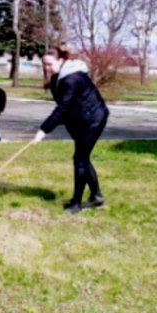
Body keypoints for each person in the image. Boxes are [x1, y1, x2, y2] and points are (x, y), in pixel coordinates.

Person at [33, 48, 109, 214]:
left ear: (60, 61)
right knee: (83, 157)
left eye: (49, 64)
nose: (47, 68)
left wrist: (43, 130)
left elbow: (63, 108)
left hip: (93, 119)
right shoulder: (57, 79)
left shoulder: (72, 78)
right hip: (80, 120)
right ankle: (96, 197)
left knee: (80, 159)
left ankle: (76, 204)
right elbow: (65, 108)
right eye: (44, 65)